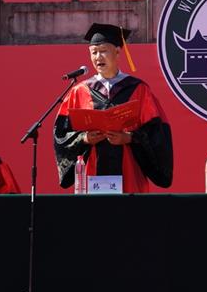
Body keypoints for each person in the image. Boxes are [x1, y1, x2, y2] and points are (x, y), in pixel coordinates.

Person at [54, 23, 173, 193]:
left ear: (117, 51)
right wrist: (84, 138)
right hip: (91, 174)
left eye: (103, 51)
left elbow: (157, 133)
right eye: (94, 52)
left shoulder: (138, 89)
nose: (98, 57)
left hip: (130, 174)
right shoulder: (79, 91)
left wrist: (129, 138)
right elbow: (61, 134)